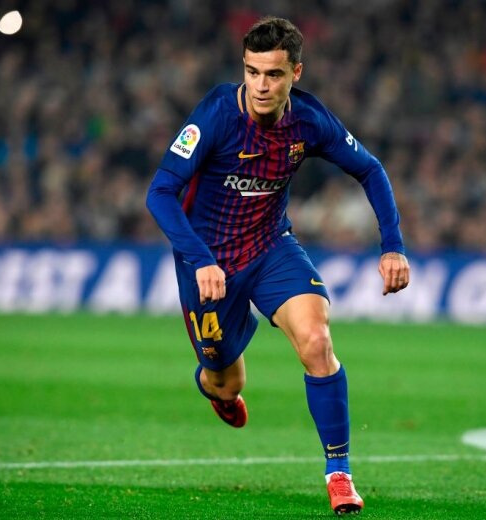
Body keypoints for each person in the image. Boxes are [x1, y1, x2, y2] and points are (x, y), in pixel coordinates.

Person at [146, 16, 409, 515]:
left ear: (296, 73)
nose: (261, 86)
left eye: (273, 74)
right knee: (226, 380)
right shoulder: (217, 115)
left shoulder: (309, 121)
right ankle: (215, 388)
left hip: (271, 248)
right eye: (252, 72)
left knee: (317, 340)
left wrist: (392, 246)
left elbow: (370, 169)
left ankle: (339, 473)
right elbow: (159, 192)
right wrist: (200, 259)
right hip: (209, 264)